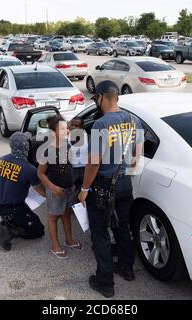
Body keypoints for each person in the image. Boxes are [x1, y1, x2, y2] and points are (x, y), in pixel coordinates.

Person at [78, 80, 144, 298]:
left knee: (100, 233)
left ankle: (104, 282)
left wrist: (85, 188)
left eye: (96, 98)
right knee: (122, 227)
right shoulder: (133, 120)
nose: (97, 102)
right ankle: (127, 268)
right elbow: (137, 154)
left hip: (104, 185)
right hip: (125, 183)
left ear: (103, 97)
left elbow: (94, 162)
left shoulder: (101, 124)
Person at [38, 115, 84, 260]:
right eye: (63, 129)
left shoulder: (68, 146)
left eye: (67, 128)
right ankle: (55, 245)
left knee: (66, 213)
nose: (67, 131)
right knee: (53, 216)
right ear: (53, 132)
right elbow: (40, 173)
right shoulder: (47, 150)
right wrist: (52, 188)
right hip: (55, 190)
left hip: (68, 188)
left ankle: (69, 240)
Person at [0, 132, 46, 251]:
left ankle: (9, 220)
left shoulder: (1, 160)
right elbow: (41, 191)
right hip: (15, 208)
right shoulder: (29, 168)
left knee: (22, 217)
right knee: (38, 230)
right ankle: (8, 229)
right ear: (26, 146)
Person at [69, 116, 88, 190]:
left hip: (85, 169)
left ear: (82, 127)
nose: (73, 127)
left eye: (76, 126)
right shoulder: (66, 137)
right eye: (72, 125)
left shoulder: (89, 138)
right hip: (72, 169)